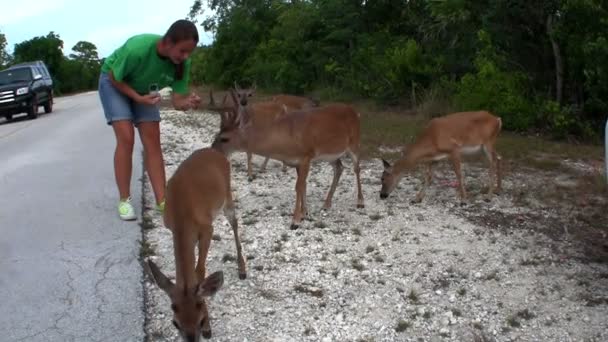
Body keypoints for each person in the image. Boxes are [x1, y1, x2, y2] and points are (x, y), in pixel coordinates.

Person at [98, 19, 201, 221]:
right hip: (115, 84)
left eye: (189, 52)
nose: (185, 57)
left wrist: (188, 102)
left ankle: (163, 200)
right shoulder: (138, 48)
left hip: (144, 91)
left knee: (153, 141)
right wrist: (137, 98)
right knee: (126, 138)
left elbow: (177, 102)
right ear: (168, 42)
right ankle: (124, 200)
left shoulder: (182, 63)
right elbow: (113, 77)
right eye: (182, 51)